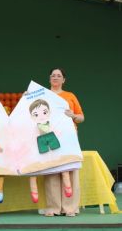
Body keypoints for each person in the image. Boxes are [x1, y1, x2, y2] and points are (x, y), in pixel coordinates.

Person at [44, 68, 84, 217]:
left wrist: (73, 115)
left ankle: (70, 208)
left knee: (71, 170)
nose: (55, 77)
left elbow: (81, 117)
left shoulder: (70, 96)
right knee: (51, 171)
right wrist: (28, 97)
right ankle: (53, 207)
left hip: (69, 137)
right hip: (49, 136)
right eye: (53, 75)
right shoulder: (43, 95)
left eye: (58, 76)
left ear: (64, 80)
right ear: (49, 79)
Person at [28, 99, 71, 204]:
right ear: (31, 116)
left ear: (49, 112)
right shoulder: (33, 127)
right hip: (40, 145)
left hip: (53, 142)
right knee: (33, 170)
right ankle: (34, 192)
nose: (41, 116)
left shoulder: (53, 123)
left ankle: (68, 186)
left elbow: (59, 131)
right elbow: (31, 137)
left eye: (44, 112)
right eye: (36, 114)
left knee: (63, 166)